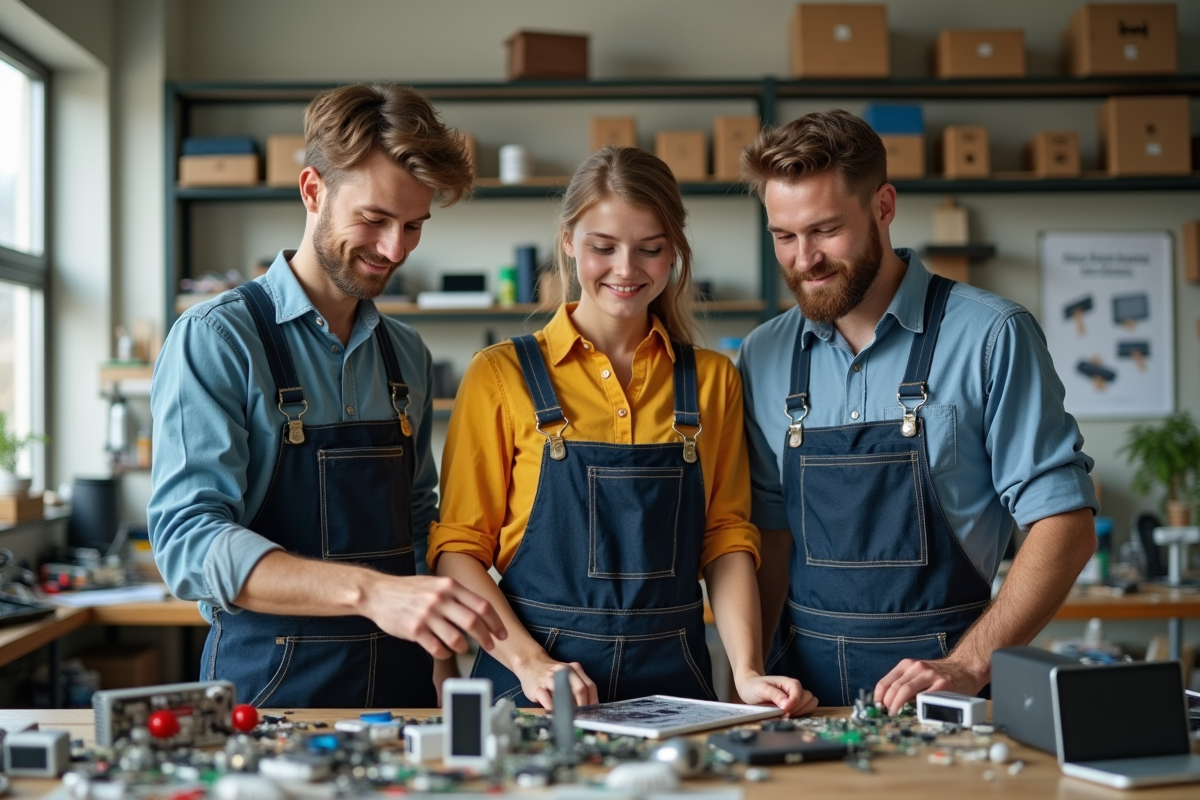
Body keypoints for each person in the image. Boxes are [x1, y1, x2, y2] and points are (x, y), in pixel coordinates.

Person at [149, 84, 505, 708]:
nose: (395, 250)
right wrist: (371, 593)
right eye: (374, 219)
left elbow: (418, 522)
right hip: (265, 695)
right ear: (313, 190)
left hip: (403, 691)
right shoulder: (217, 340)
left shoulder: (406, 355)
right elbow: (189, 541)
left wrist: (444, 659)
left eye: (414, 226)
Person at [429, 146, 815, 715]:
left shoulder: (712, 381)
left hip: (673, 676)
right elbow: (457, 550)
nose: (626, 270)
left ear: (675, 251)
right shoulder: (499, 375)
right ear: (568, 241)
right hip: (533, 679)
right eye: (602, 247)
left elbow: (727, 539)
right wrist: (531, 662)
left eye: (651, 249)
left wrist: (748, 669)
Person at [737, 110, 1098, 714]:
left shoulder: (991, 335)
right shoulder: (763, 354)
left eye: (826, 230)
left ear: (883, 205)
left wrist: (968, 663)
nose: (804, 259)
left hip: (949, 703)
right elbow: (769, 541)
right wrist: (747, 677)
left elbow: (1066, 525)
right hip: (801, 703)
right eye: (783, 236)